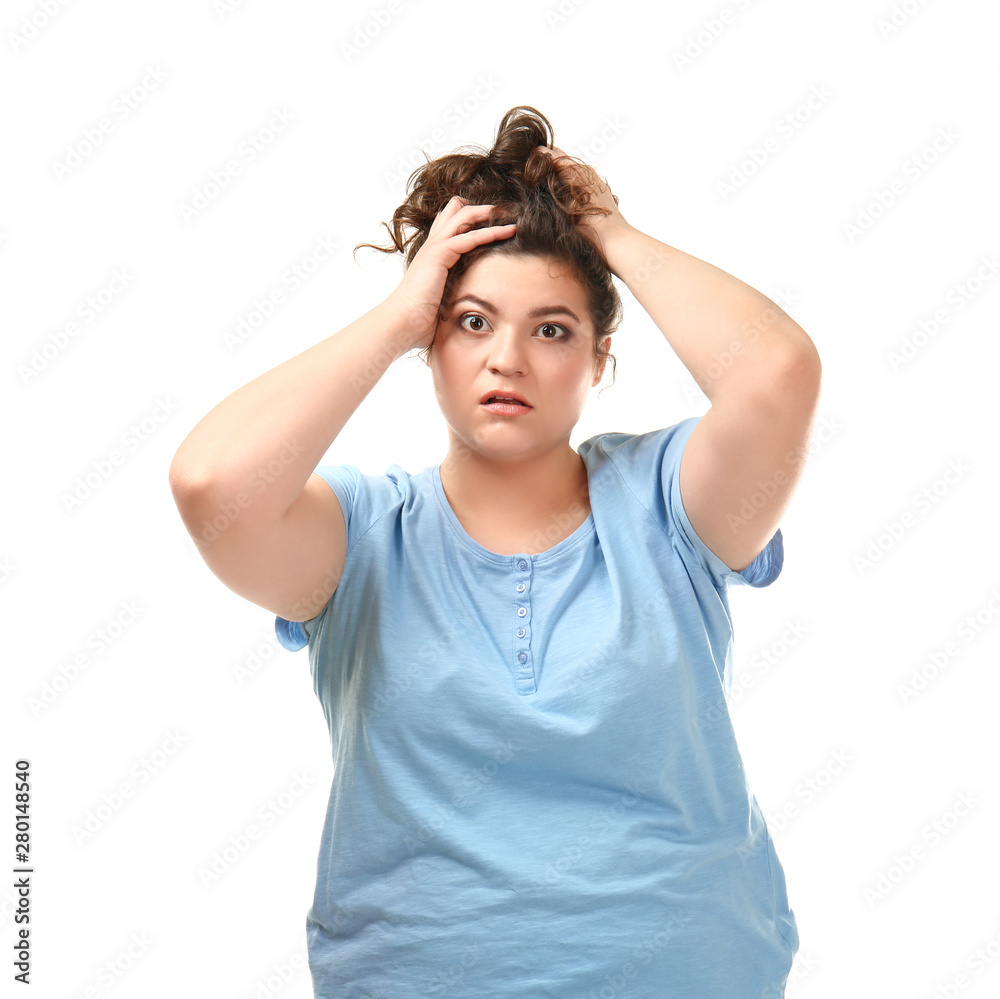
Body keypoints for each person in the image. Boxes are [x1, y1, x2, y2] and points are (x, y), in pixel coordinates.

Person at [169, 106, 821, 998]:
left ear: (598, 360)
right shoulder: (362, 537)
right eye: (471, 322)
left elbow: (778, 372)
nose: (506, 357)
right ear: (431, 344)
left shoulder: (670, 504)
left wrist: (607, 230)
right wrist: (399, 314)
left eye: (552, 329)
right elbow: (210, 484)